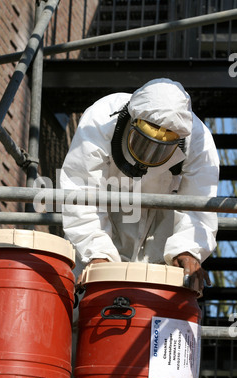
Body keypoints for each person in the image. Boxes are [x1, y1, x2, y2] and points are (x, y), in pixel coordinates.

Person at [59, 78, 219, 296]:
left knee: (153, 302)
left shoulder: (199, 142)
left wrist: (188, 249)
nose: (149, 156)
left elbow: (199, 205)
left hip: (159, 225)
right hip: (103, 215)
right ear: (131, 121)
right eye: (144, 143)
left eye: (161, 149)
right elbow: (80, 191)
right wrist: (97, 253)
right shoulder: (101, 118)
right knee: (88, 301)